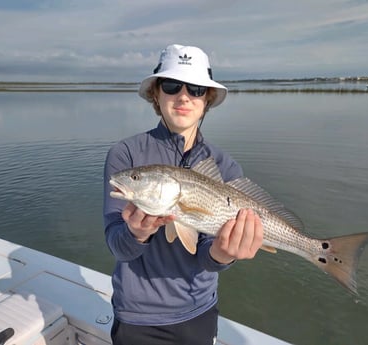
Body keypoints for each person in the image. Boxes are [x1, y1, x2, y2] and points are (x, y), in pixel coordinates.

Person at [103, 44, 264, 345]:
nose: (184, 96)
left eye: (197, 88)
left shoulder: (225, 165)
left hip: (199, 312)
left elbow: (206, 256)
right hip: (137, 317)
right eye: (172, 85)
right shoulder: (125, 154)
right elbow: (118, 247)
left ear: (208, 98)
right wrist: (135, 234)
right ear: (156, 93)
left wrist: (224, 253)